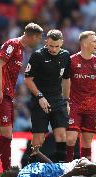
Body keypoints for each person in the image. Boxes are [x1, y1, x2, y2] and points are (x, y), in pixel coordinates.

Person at [0, 23, 43, 177]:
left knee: (8, 137)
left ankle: (7, 171)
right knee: (6, 135)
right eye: (38, 37)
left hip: (8, 95)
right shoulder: (12, 44)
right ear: (31, 36)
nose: (39, 41)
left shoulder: (22, 50)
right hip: (1, 93)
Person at [24, 29, 71, 163]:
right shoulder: (37, 56)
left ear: (62, 43)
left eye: (57, 46)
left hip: (58, 100)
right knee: (38, 139)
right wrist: (40, 97)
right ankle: (31, 167)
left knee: (61, 135)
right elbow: (28, 80)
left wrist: (67, 100)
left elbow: (67, 79)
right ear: (46, 42)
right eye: (51, 45)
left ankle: (62, 168)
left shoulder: (66, 56)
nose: (54, 49)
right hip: (40, 101)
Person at [66, 31, 96, 162]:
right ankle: (67, 169)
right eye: (94, 41)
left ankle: (84, 171)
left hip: (92, 108)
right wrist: (65, 101)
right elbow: (65, 82)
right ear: (85, 43)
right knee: (70, 138)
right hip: (74, 106)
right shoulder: (71, 61)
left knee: (86, 142)